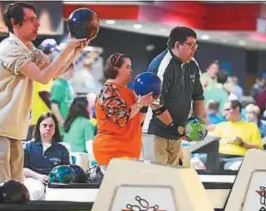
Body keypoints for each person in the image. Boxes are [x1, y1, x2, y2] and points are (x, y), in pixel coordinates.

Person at [0, 2, 88, 188]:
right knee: (1, 185)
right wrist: (68, 47)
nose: (37, 24)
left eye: (36, 19)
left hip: (10, 125)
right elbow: (44, 77)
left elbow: (52, 70)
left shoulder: (28, 47)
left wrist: (74, 50)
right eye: (31, 20)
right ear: (15, 23)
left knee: (16, 184)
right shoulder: (9, 48)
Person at [143, 26, 206, 165]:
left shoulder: (193, 64)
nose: (194, 49)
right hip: (155, 133)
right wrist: (174, 127)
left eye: (196, 45)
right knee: (155, 178)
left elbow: (198, 97)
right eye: (190, 45)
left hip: (176, 134)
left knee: (172, 180)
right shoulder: (161, 65)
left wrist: (199, 124)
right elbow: (156, 103)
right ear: (177, 45)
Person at [89, 53, 155, 183]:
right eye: (127, 67)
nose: (131, 70)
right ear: (116, 68)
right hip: (112, 153)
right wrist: (140, 103)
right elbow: (122, 118)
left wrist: (145, 104)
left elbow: (137, 121)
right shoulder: (108, 91)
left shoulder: (129, 93)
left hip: (128, 154)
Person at [23, 112, 69, 200]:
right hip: (33, 180)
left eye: (51, 126)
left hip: (55, 184)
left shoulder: (62, 149)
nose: (48, 128)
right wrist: (39, 177)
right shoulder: (28, 146)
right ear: (38, 127)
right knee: (36, 190)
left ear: (55, 128)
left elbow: (66, 172)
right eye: (44, 125)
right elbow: (23, 169)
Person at [214, 100, 263, 170]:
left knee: (237, 166)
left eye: (227, 110)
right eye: (224, 110)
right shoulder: (219, 126)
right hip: (217, 158)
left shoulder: (251, 127)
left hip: (236, 159)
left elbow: (259, 149)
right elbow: (212, 143)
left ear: (237, 109)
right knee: (196, 161)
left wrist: (242, 143)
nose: (224, 113)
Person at [28, 38, 58, 140]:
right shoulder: (43, 70)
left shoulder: (41, 69)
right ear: (52, 52)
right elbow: (44, 94)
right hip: (41, 123)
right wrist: (59, 113)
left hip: (41, 122)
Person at [50, 63, 76, 136]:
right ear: (69, 69)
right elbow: (54, 106)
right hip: (62, 129)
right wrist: (62, 123)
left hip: (70, 125)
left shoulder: (69, 84)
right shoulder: (57, 84)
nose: (73, 72)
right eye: (73, 69)